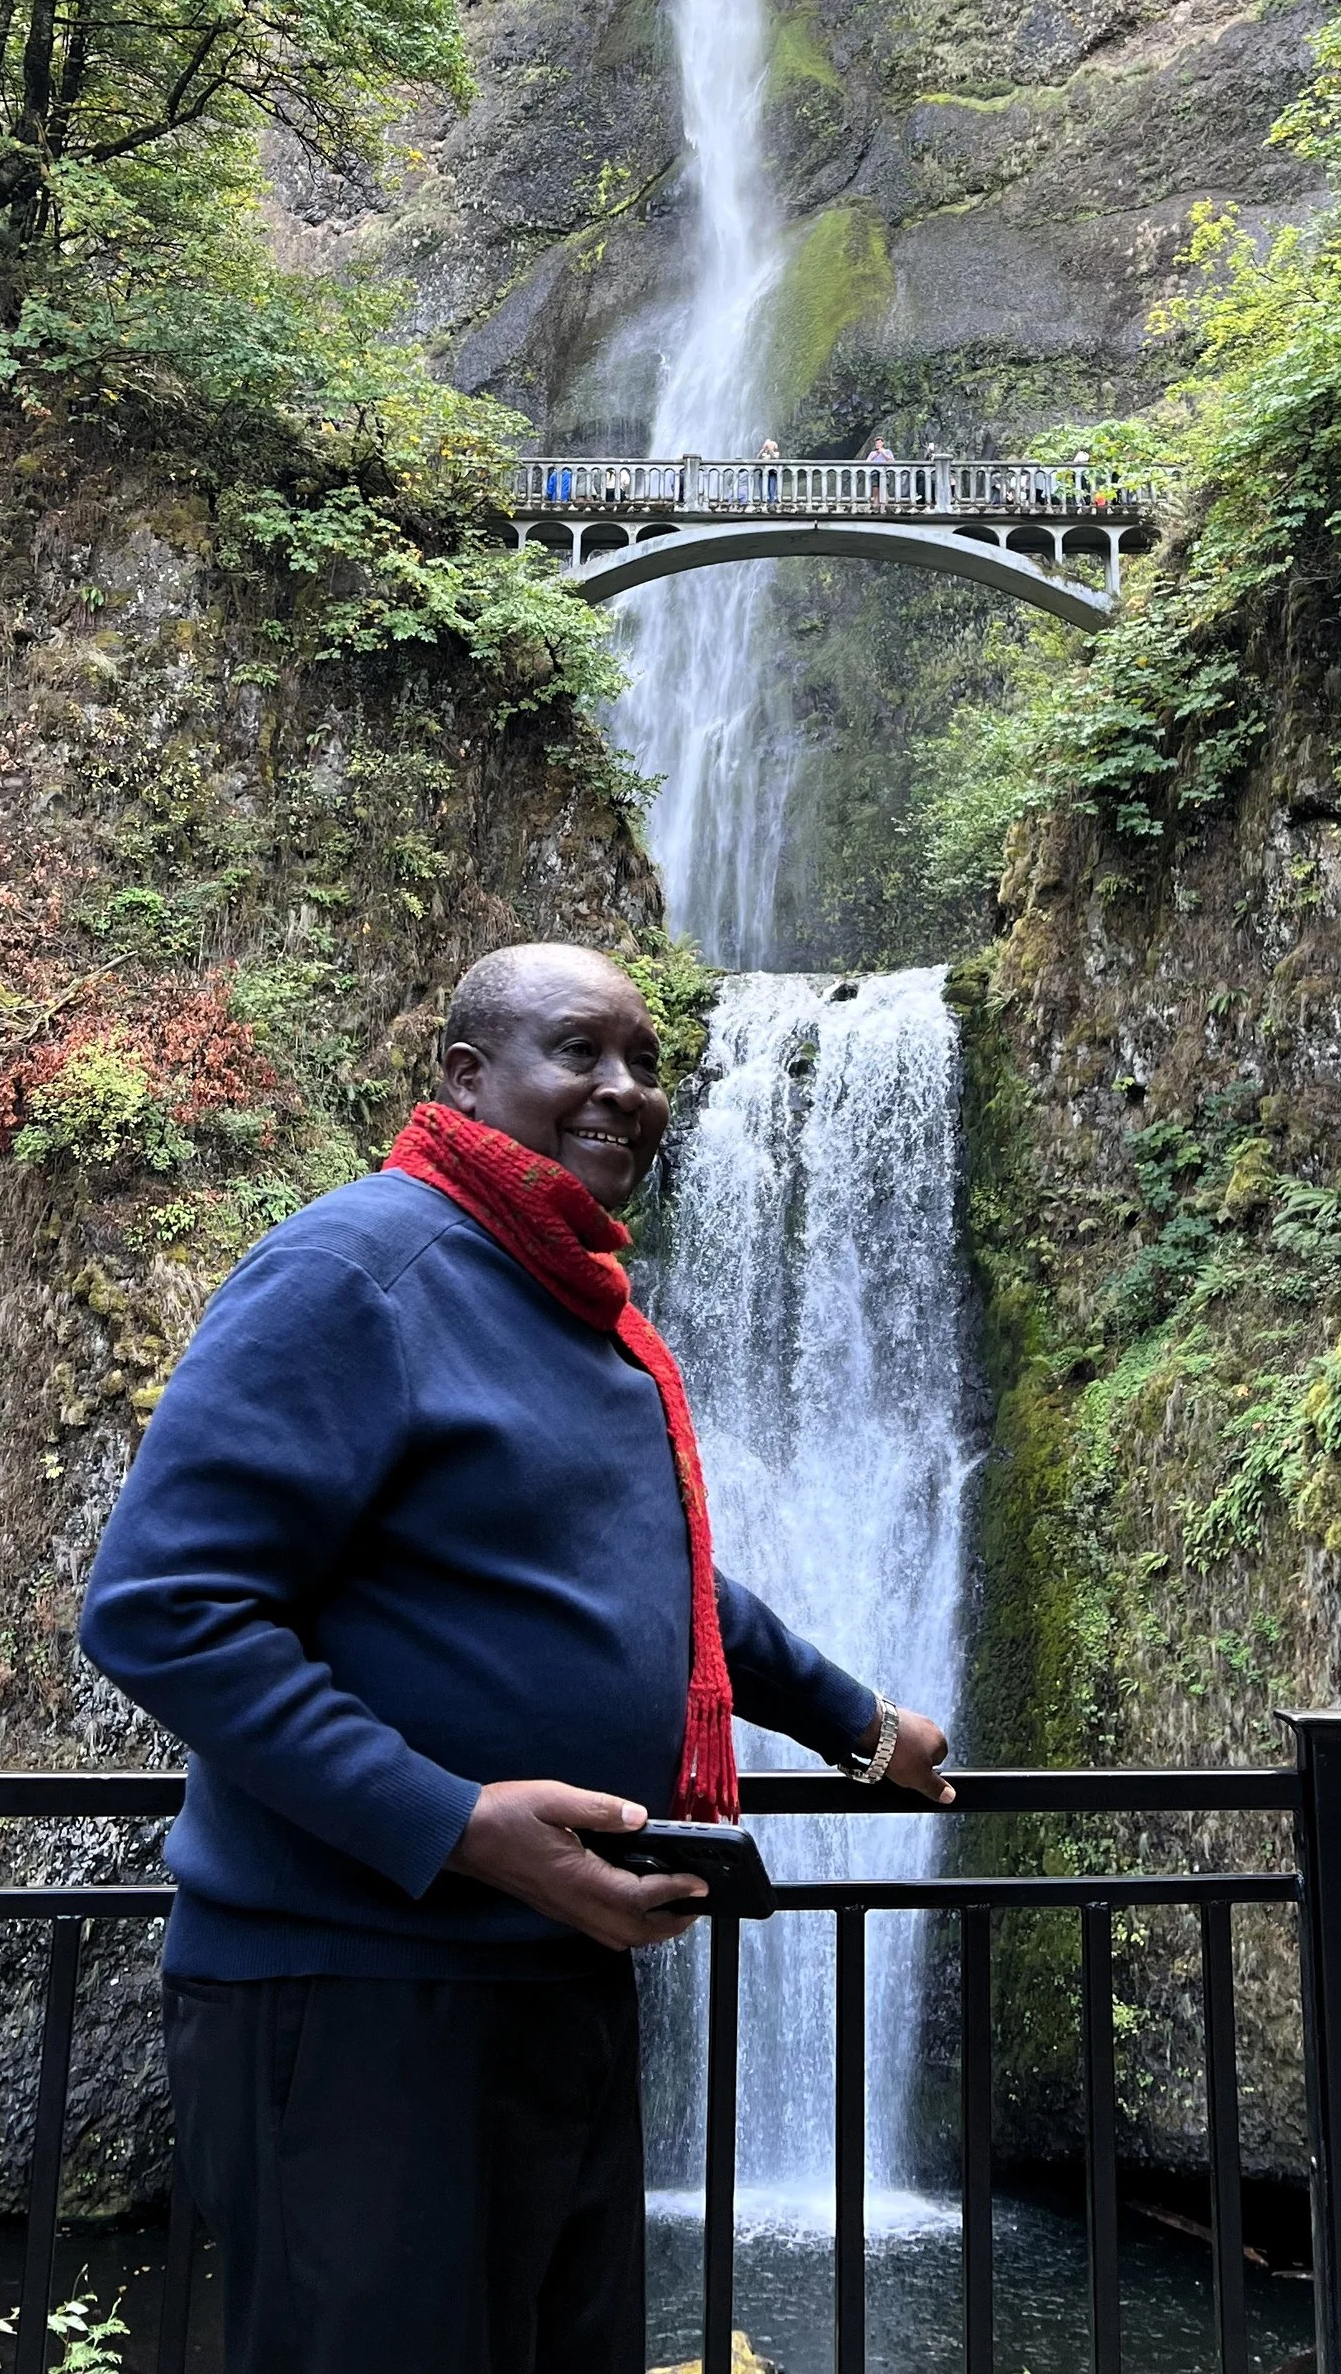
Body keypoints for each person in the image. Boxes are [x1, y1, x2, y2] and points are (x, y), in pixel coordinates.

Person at [79, 942, 952, 2374]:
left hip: (557, 1973)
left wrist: (859, 1724)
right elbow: (162, 1606)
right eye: (578, 1050)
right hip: (360, 1992)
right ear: (467, 1078)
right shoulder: (357, 1270)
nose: (624, 1088)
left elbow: (666, 1592)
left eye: (645, 1061)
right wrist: (460, 1824)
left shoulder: (578, 1317)